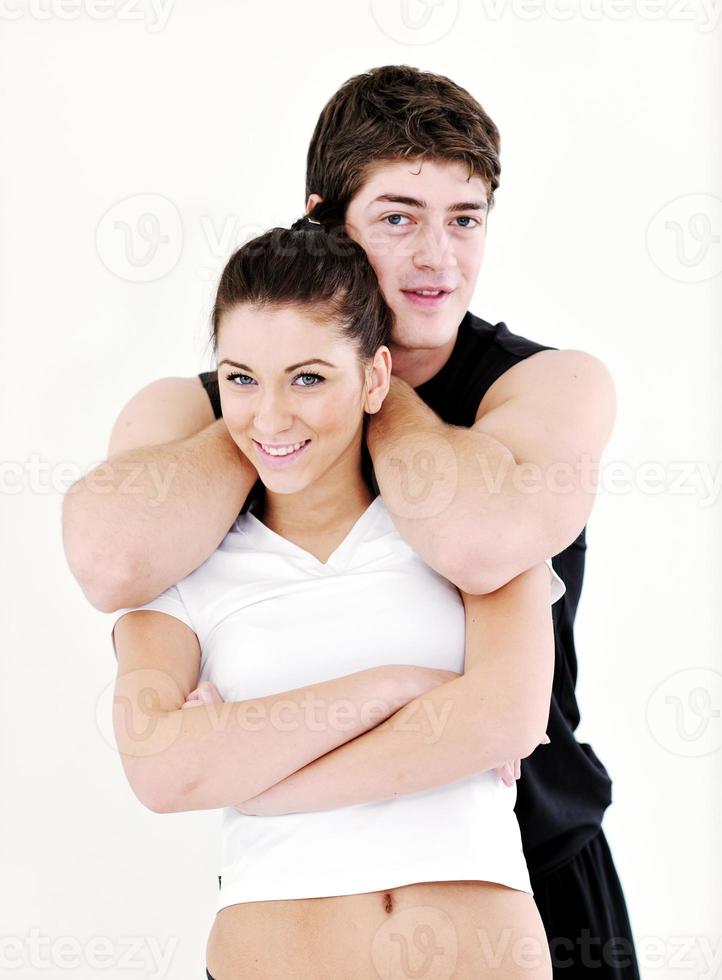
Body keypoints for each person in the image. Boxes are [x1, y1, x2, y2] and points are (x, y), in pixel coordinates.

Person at [63, 65, 640, 977]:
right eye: (400, 216)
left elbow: (478, 545)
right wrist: (284, 393)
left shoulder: (542, 386)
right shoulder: (226, 412)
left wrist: (376, 381)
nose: (437, 258)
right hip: (303, 896)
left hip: (538, 869)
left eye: (465, 219)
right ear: (324, 221)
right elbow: (108, 563)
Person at [111, 219, 566, 979]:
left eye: (310, 377)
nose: (271, 416)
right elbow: (162, 773)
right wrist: (397, 689)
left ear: (376, 378)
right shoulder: (186, 566)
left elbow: (506, 720)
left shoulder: (464, 530)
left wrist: (254, 770)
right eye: (242, 378)